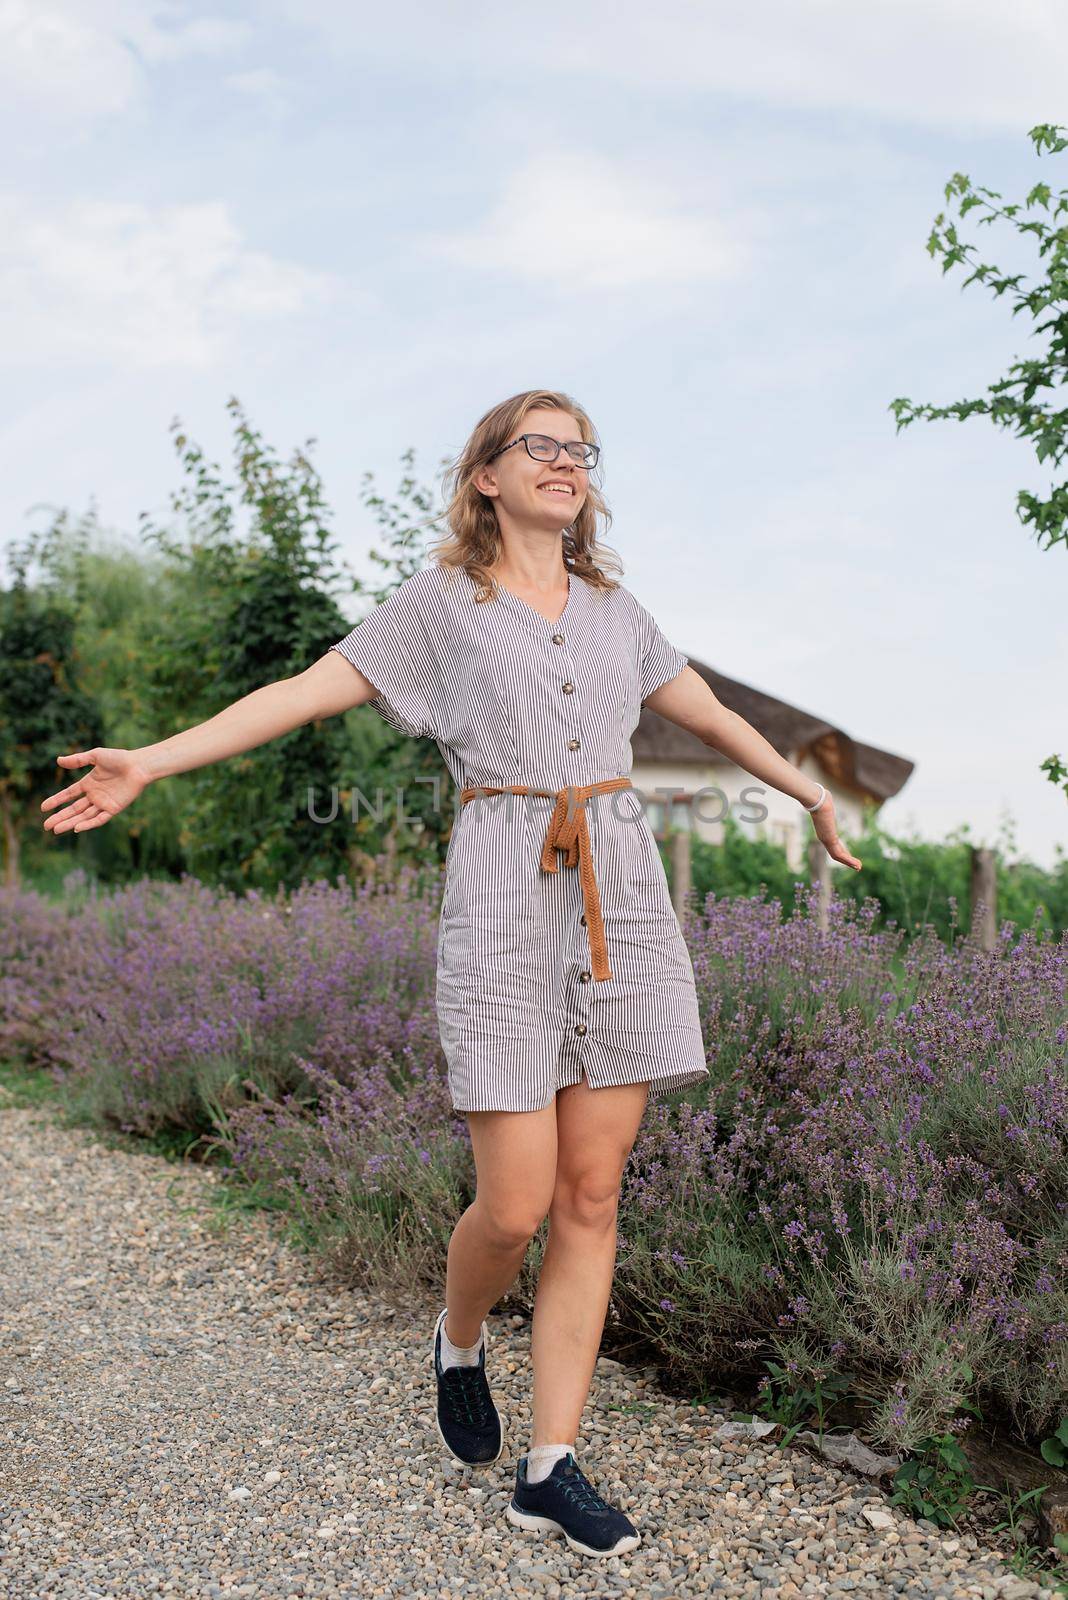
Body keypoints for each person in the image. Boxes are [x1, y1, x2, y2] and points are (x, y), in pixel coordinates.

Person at [42, 387, 862, 1561]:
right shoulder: (439, 608)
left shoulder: (617, 610)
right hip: (502, 896)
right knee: (517, 1200)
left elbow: (711, 711)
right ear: (486, 472)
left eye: (581, 449)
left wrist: (807, 788)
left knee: (592, 1193)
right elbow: (294, 696)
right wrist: (153, 765)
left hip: (621, 892)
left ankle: (550, 1466)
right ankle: (460, 1334)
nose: (566, 462)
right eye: (542, 444)